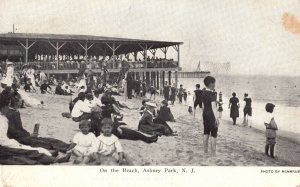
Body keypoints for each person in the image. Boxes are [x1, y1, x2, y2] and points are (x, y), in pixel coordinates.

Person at [3, 92, 70, 154]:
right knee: (40, 142)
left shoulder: (15, 112)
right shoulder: (10, 113)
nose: (21, 102)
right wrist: (27, 135)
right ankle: (62, 148)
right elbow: (13, 131)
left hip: (22, 136)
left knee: (45, 139)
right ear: (16, 102)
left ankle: (66, 145)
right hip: (17, 139)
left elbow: (20, 129)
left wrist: (27, 134)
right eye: (20, 100)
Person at [202, 76, 219, 156]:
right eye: (214, 83)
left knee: (206, 132)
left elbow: (203, 105)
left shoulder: (204, 92)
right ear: (211, 84)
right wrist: (217, 118)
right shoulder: (212, 94)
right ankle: (213, 152)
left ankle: (205, 151)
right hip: (211, 115)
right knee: (214, 134)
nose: (215, 85)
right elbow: (214, 107)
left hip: (205, 113)